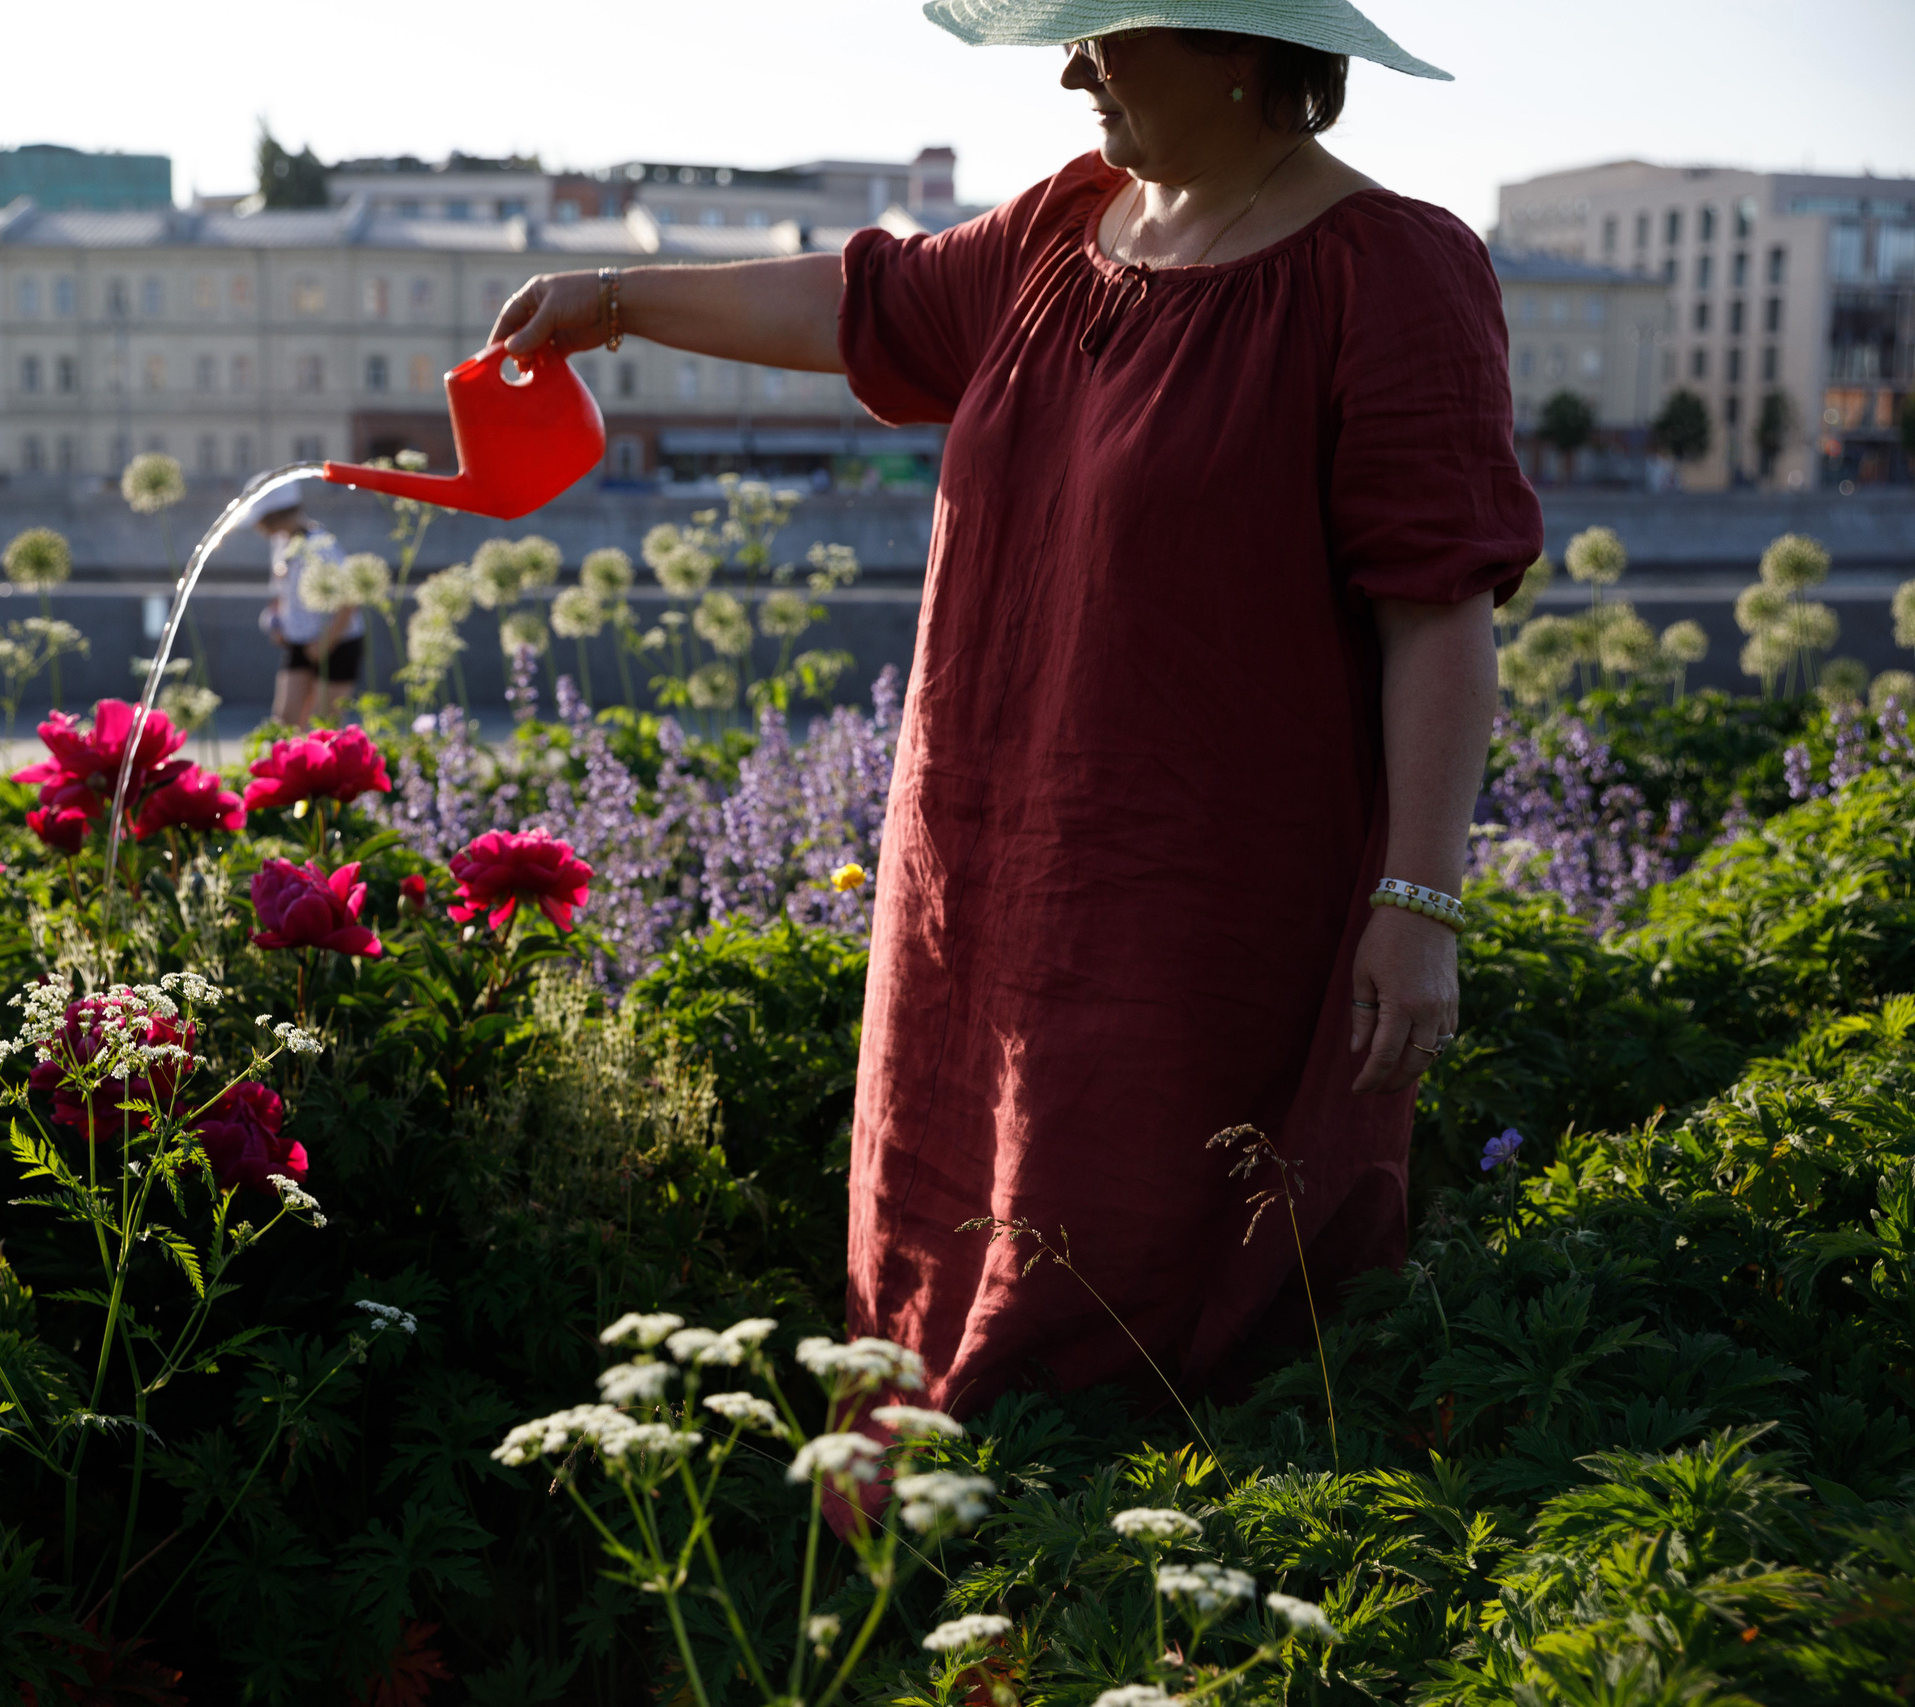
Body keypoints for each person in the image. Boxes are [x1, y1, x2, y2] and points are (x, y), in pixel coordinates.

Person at [493, 0, 1539, 1420]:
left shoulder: (1396, 270)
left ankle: (1102, 1617)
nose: (1068, 67)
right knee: (947, 1234)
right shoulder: (1067, 226)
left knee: (1150, 1295)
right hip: (977, 888)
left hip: (1201, 917)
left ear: (1239, 45)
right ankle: (924, 1592)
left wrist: (1418, 900)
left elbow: (1440, 606)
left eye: (1107, 35)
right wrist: (611, 299)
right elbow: (864, 300)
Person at [245, 480, 365, 726]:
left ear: (275, 516)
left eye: (261, 521)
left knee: (324, 723)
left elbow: (350, 598)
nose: (258, 528)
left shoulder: (322, 545)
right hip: (298, 640)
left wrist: (325, 642)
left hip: (338, 640)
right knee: (285, 720)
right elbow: (280, 591)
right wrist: (277, 622)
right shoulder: (280, 542)